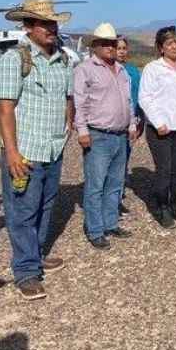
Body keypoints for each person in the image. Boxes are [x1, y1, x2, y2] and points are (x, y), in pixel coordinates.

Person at [0, 0, 73, 300]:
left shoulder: (62, 59)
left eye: (54, 23)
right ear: (28, 26)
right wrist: (11, 152)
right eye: (45, 24)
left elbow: (67, 98)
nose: (52, 29)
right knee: (22, 211)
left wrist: (68, 124)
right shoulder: (14, 60)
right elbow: (5, 109)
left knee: (45, 205)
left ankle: (36, 255)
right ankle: (26, 271)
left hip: (53, 148)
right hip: (25, 151)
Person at [74, 23, 138, 250]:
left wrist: (131, 124)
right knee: (96, 185)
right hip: (98, 135)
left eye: (113, 43)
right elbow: (79, 102)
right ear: (95, 45)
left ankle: (111, 223)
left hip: (120, 135)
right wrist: (82, 131)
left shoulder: (121, 71)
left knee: (115, 183)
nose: (111, 47)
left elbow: (128, 101)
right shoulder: (85, 69)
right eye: (106, 43)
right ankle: (95, 229)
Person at [139, 26, 176, 229]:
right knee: (164, 170)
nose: (174, 46)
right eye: (169, 43)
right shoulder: (153, 69)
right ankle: (162, 207)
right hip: (160, 130)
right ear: (160, 48)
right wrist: (158, 122)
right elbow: (144, 98)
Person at [115, 36, 143, 215]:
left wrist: (141, 120)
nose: (122, 51)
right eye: (118, 48)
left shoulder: (133, 71)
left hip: (131, 122)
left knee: (124, 159)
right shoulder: (109, 70)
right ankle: (109, 198)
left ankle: (118, 196)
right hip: (112, 123)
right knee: (111, 162)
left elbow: (140, 95)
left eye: (124, 48)